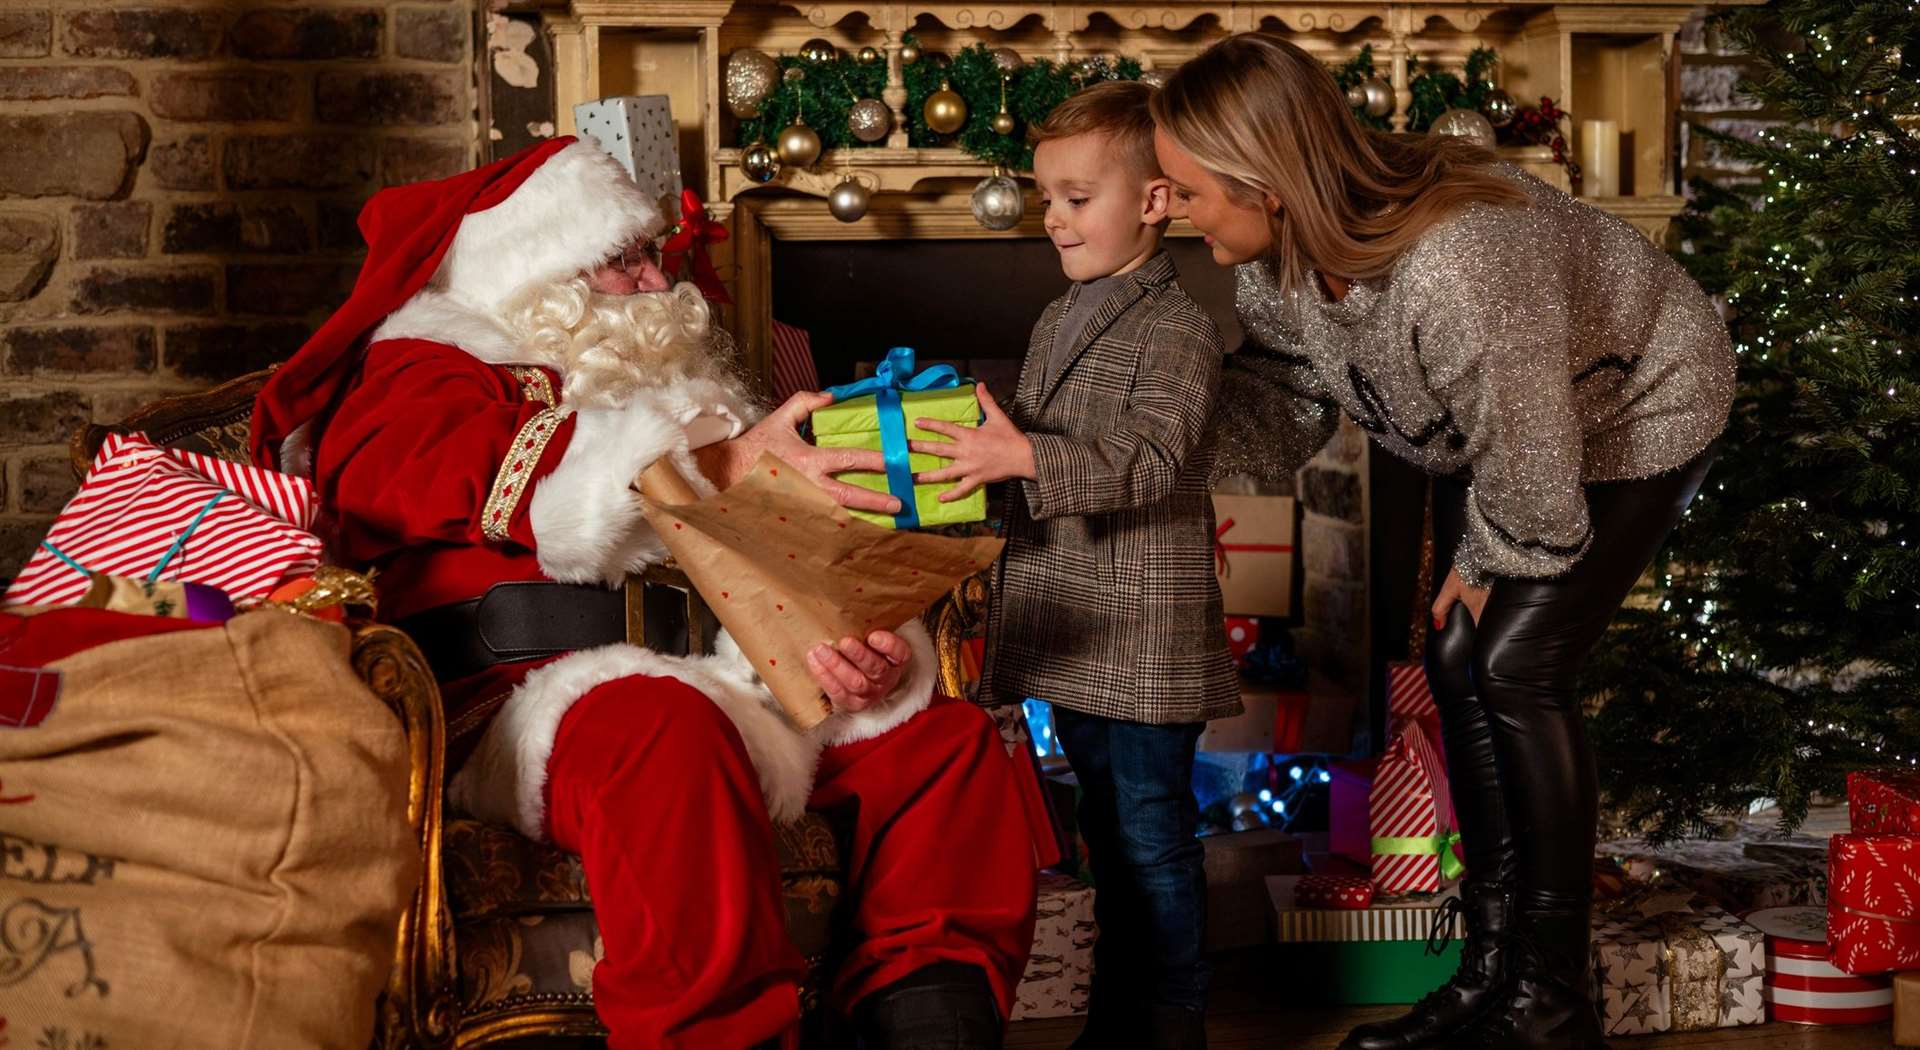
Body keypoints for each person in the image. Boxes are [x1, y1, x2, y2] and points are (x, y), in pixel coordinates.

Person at [248, 137, 1040, 1050]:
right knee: (664, 730)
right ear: (538, 271)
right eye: (619, 260)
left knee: (945, 745)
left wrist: (847, 653)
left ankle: (928, 1022)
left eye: (649, 254)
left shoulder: (679, 392)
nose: (655, 279)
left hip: (721, 680)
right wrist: (720, 462)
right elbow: (443, 479)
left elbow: (781, 568)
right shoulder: (425, 372)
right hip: (527, 704)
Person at [1149, 33, 1735, 1050]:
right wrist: (1149, 455)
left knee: (1511, 667)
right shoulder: (1276, 268)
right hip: (1505, 425)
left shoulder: (1462, 266)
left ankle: (1552, 1003)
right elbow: (1286, 400)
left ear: (1265, 183)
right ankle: (1487, 976)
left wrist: (1480, 564)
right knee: (1457, 660)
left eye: (1185, 189)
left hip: (1639, 399)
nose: (1170, 210)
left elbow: (1540, 486)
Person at [916, 81, 1238, 1050]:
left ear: (1152, 202)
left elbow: (1150, 460)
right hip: (1074, 625)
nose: (1053, 218)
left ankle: (1173, 1022)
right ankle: (1115, 1017)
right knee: (1105, 833)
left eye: (1076, 197)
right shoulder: (1061, 317)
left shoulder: (1179, 329)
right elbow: (1039, 441)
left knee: (1153, 841)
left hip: (1141, 637)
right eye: (1046, 197)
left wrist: (1021, 458)